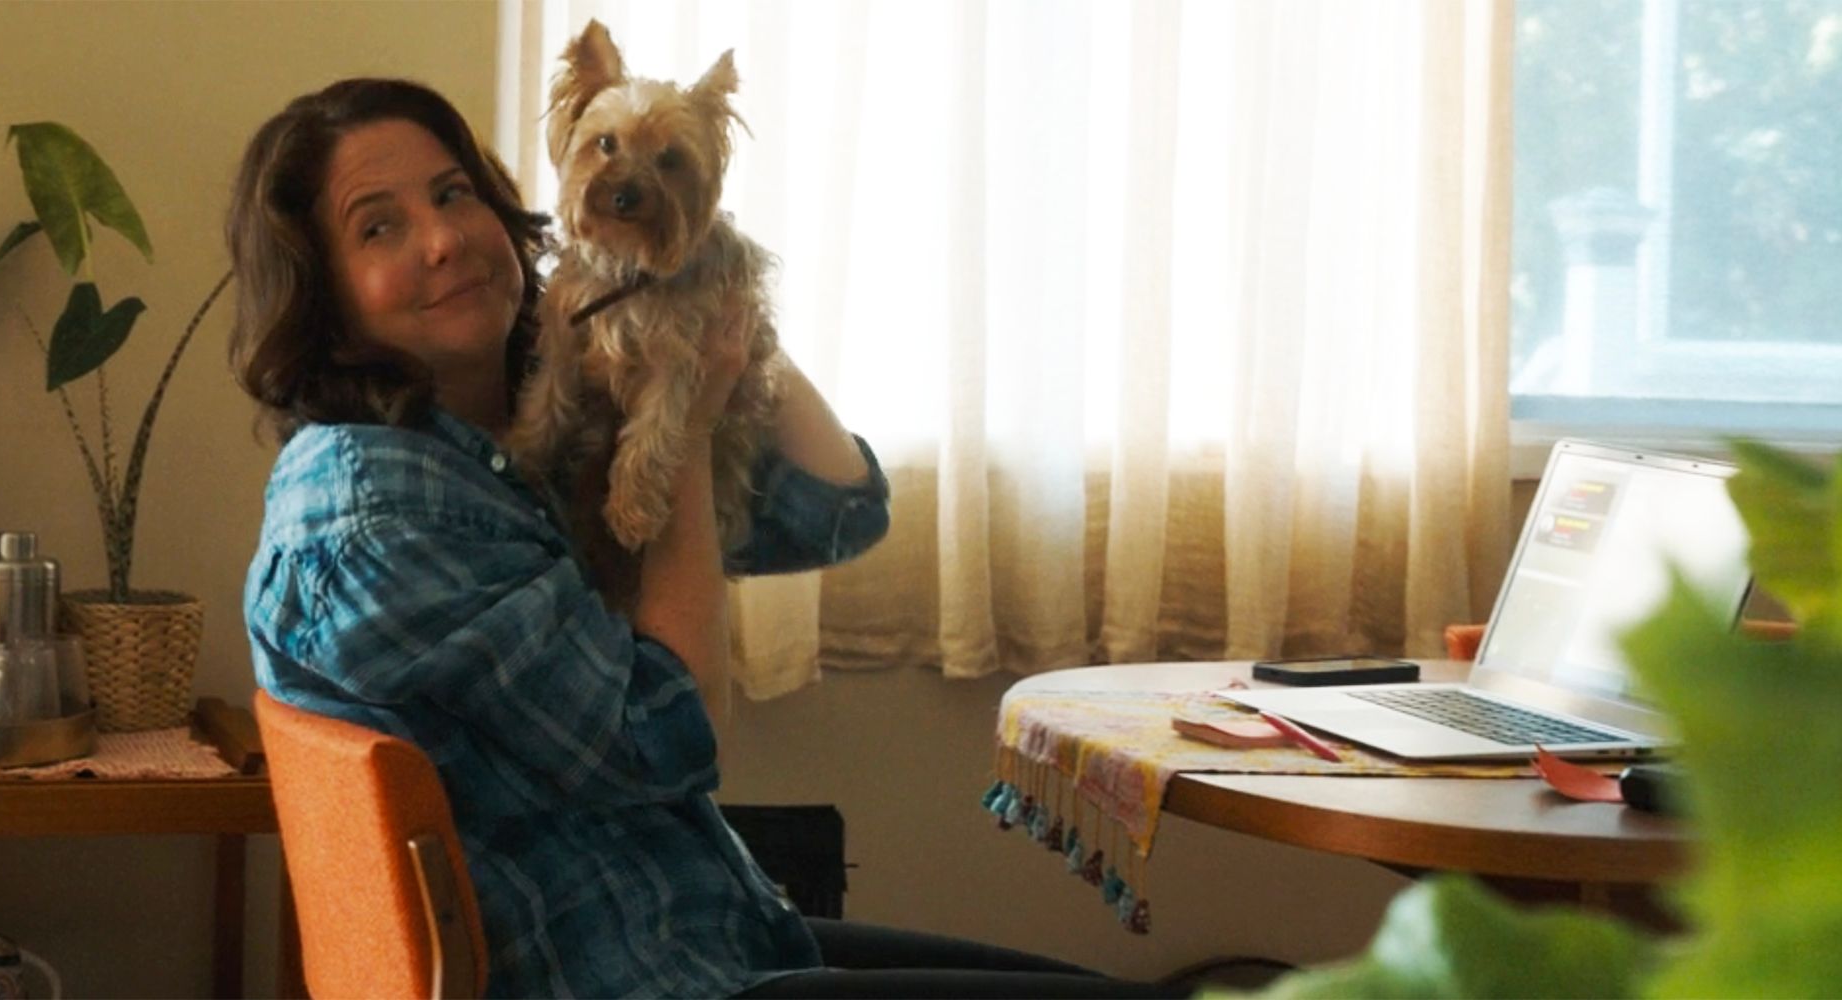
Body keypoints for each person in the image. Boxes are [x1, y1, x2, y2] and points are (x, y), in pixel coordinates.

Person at [229, 77, 1175, 999]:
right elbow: (664, 731)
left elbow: (837, 510)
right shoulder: (374, 515)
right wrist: (684, 423)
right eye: (379, 226)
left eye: (453, 194)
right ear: (323, 292)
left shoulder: (502, 439)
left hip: (705, 933)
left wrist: (705, 286)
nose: (443, 240)